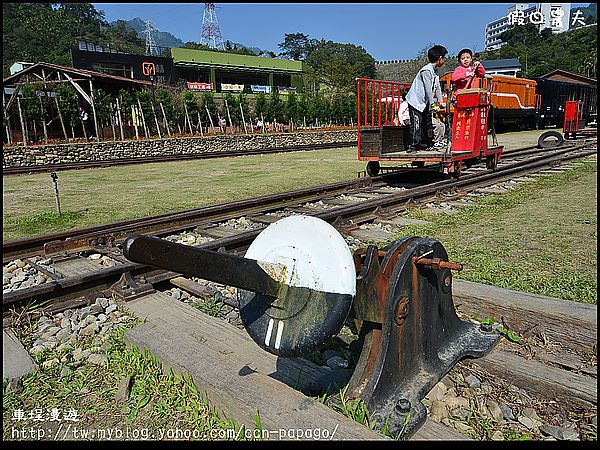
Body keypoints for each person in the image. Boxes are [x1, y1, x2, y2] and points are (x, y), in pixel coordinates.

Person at [405, 45, 447, 152]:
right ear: (440, 58)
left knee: (427, 123)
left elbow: (437, 87)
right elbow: (428, 89)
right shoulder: (426, 71)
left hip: (425, 102)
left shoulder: (435, 71)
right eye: (444, 58)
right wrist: (433, 105)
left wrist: (441, 102)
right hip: (416, 102)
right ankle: (413, 146)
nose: (445, 60)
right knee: (417, 123)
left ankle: (427, 144)